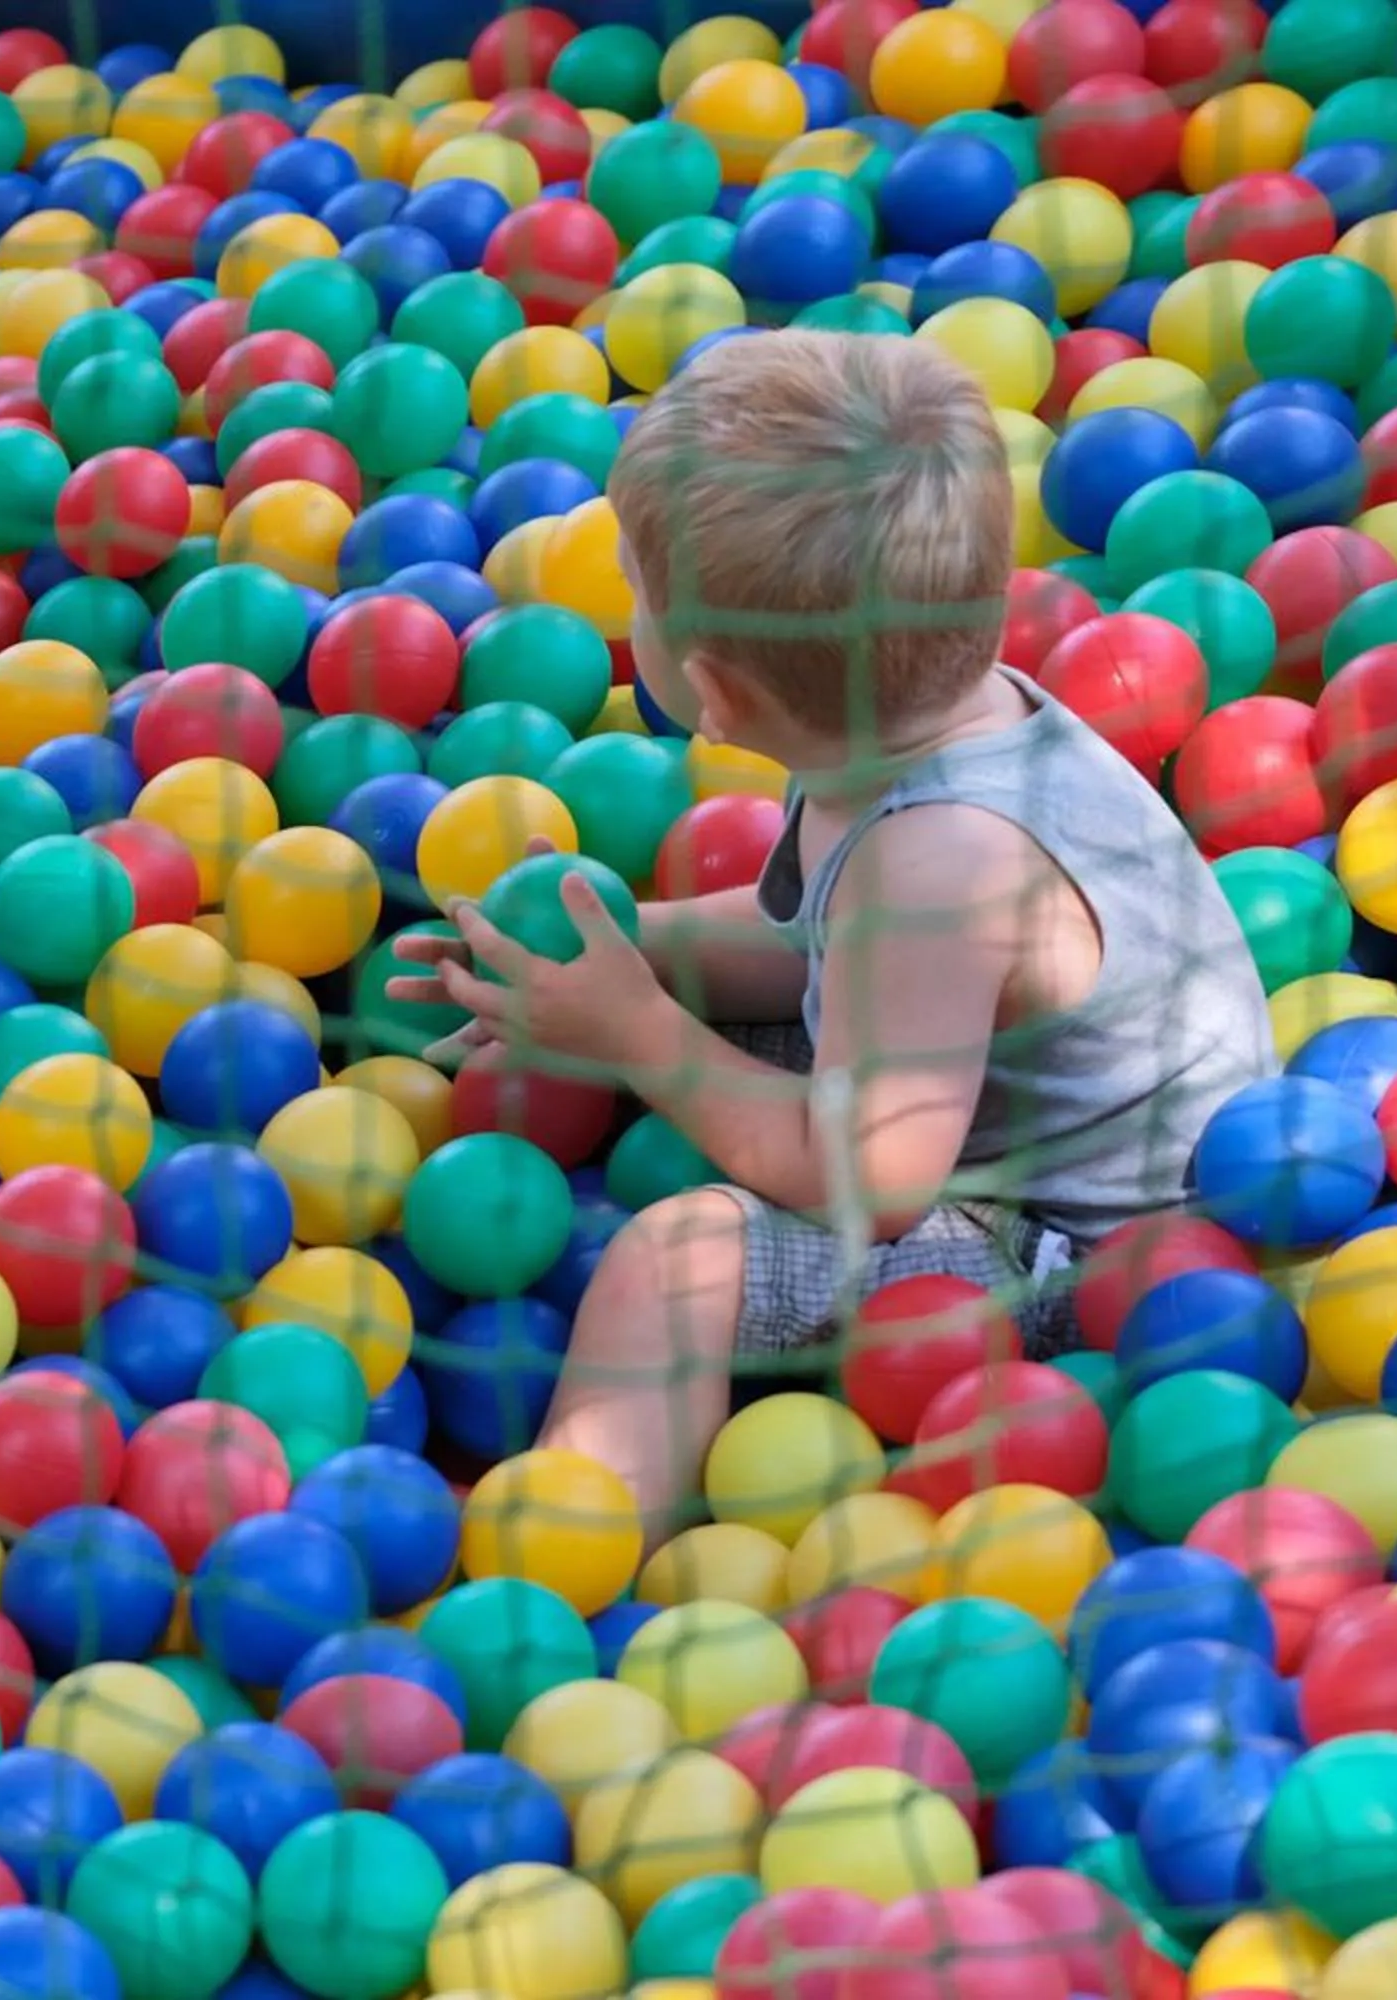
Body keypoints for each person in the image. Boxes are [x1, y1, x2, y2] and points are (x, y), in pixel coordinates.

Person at [393, 329, 1274, 1535]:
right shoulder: (942, 718)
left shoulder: (933, 860)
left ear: (717, 697)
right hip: (981, 1098)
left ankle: (564, 1556)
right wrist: (626, 944)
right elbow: (821, 943)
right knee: (711, 1019)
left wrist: (638, 1030)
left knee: (674, 1258)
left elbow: (877, 1181)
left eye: (635, 592)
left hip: (1098, 1261)